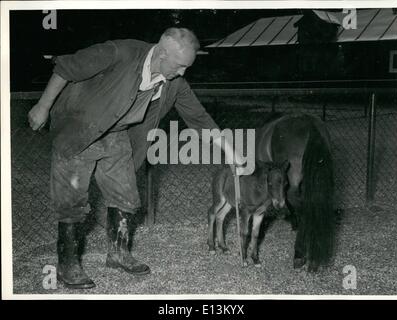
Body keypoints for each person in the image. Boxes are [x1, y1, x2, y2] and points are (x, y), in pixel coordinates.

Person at [28, 27, 246, 289]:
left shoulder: (173, 82)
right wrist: (42, 106)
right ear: (162, 53)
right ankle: (68, 266)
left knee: (126, 196)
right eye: (180, 66)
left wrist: (231, 151)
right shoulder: (119, 52)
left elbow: (199, 118)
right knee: (72, 201)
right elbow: (65, 67)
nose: (183, 73)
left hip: (116, 135)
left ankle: (118, 254)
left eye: (187, 67)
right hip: (80, 129)